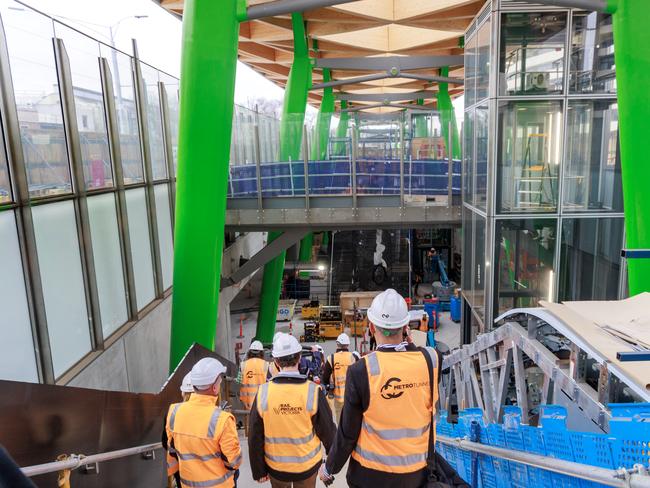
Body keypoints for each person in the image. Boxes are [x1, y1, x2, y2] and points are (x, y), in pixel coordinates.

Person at [319, 289, 440, 488]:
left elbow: (348, 434)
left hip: (371, 476)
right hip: (417, 474)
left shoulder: (361, 370)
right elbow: (426, 352)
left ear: (372, 327)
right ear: (406, 326)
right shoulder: (431, 360)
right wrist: (409, 343)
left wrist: (329, 468)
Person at [248, 333, 336, 488]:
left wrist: (259, 470)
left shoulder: (263, 392)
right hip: (307, 467)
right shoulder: (313, 391)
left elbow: (255, 436)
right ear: (299, 357)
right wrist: (331, 464)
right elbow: (328, 431)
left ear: (275, 361)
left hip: (277, 469)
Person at [166, 358, 242, 488]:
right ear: (214, 388)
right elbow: (234, 462)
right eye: (220, 381)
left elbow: (172, 450)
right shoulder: (223, 420)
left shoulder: (174, 412)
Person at [162, 372, 194, 487]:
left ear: (183, 392)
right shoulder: (209, 413)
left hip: (181, 469)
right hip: (207, 473)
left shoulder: (172, 411)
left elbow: (165, 441)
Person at [322, 333, 358, 421]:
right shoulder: (353, 357)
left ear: (337, 344)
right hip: (352, 395)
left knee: (340, 419)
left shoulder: (331, 358)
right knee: (351, 419)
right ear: (348, 344)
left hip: (338, 396)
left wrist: (328, 387)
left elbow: (325, 377)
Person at [239, 340, 268, 410]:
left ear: (249, 352)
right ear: (261, 353)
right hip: (263, 401)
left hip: (248, 402)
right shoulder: (266, 365)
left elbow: (238, 381)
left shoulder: (243, 365)